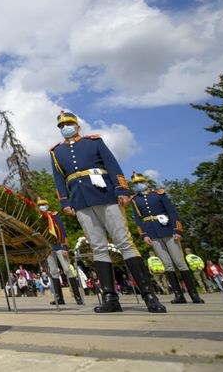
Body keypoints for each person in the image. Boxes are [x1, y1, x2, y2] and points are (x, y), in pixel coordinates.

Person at [50, 110, 166, 313]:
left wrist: (121, 189)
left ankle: (149, 295)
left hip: (105, 195)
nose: (65, 128)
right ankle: (110, 297)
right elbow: (59, 178)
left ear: (77, 126)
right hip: (81, 201)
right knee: (97, 247)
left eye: (68, 124)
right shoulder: (56, 152)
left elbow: (113, 166)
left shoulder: (94, 142)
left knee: (124, 242)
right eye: (61, 126)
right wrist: (64, 201)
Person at [129, 173, 204, 304]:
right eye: (135, 184)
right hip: (152, 233)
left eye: (140, 182)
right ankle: (178, 295)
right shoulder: (135, 200)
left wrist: (177, 229)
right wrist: (144, 235)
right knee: (167, 264)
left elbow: (172, 212)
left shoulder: (159, 194)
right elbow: (138, 219)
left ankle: (194, 294)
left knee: (179, 261)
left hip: (168, 230)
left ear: (146, 183)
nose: (138, 185)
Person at [38, 198, 84, 306]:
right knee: (53, 271)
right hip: (48, 248)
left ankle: (77, 297)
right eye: (40, 205)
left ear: (47, 205)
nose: (42, 206)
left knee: (67, 269)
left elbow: (62, 231)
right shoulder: (39, 219)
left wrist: (65, 247)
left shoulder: (54, 216)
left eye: (44, 204)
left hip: (59, 245)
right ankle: (59, 298)